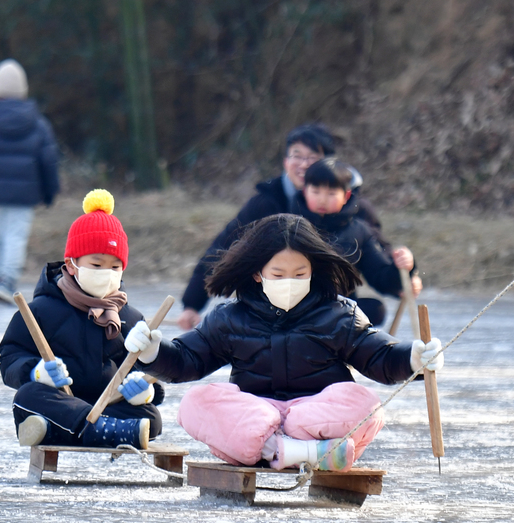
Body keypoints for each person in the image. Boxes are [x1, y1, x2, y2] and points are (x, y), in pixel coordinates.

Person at [126, 214, 444, 471]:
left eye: (299, 273)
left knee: (365, 404)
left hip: (314, 415)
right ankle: (300, 452)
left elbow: (380, 357)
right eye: (278, 275)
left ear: (313, 271)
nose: (289, 283)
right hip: (257, 414)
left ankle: (280, 449)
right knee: (196, 402)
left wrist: (414, 360)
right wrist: (154, 351)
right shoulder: (230, 318)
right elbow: (186, 360)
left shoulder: (339, 314)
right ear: (257, 274)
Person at [175, 123, 388, 331]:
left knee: (372, 310)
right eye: (297, 156)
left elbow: (380, 255)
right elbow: (223, 249)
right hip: (271, 310)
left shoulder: (353, 209)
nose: (304, 164)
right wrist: (192, 304)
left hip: (332, 310)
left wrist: (405, 272)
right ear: (286, 161)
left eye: (313, 157)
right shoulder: (265, 204)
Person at [0, 190, 164, 450]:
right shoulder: (40, 311)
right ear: (72, 264)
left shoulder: (130, 318)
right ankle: (100, 431)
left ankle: (63, 430)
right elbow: (9, 357)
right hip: (59, 402)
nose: (106, 274)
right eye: (96, 265)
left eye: (115, 267)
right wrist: (35, 370)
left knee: (152, 417)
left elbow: (143, 368)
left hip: (108, 405)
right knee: (27, 396)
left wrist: (144, 389)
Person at [295, 158, 421, 327]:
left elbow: (380, 277)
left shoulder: (358, 231)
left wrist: (404, 267)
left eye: (331, 193)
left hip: (339, 316)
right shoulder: (288, 226)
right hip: (296, 313)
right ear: (305, 191)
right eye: (316, 192)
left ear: (346, 196)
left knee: (375, 310)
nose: (322, 200)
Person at [0, 59, 60, 304]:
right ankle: (7, 280)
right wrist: (49, 191)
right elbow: (48, 159)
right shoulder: (37, 122)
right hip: (24, 194)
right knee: (15, 236)